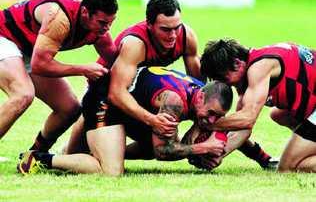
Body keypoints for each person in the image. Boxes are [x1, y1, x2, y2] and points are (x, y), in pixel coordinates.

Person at [64, 0, 275, 169]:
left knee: (156, 143)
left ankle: (95, 152)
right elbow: (116, 93)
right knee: (126, 156)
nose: (173, 35)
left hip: (142, 94)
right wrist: (152, 120)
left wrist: (259, 156)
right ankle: (55, 153)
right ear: (149, 25)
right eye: (165, 29)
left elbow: (205, 92)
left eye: (177, 27)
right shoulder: (135, 44)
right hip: (105, 93)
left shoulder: (186, 37)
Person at [17, 66, 232, 176]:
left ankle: (93, 151)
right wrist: (204, 147)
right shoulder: (174, 101)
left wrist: (203, 141)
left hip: (126, 102)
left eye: (218, 117)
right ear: (202, 97)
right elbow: (163, 153)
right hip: (104, 102)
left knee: (152, 144)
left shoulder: (197, 91)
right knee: (111, 171)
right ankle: (38, 159)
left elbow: (180, 141)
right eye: (211, 113)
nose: (212, 120)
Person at [0, 0, 119, 154]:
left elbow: (115, 60)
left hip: (29, 50)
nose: (107, 28)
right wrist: (83, 69)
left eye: (111, 22)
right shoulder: (59, 18)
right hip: (3, 37)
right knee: (23, 95)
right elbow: (40, 65)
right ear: (85, 12)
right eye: (102, 22)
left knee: (70, 108)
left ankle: (35, 155)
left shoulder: (99, 30)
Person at [200, 38, 316, 172]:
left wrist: (206, 123)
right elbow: (241, 129)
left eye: (224, 79)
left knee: (287, 168)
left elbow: (247, 119)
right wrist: (217, 154)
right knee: (278, 114)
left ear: (237, 64)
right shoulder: (250, 69)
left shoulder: (259, 68)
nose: (227, 85)